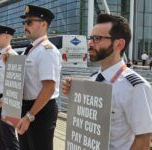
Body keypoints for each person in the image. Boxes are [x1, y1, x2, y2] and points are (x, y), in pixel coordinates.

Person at [62, 14, 152, 150]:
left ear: (119, 44)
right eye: (91, 38)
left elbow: (144, 138)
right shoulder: (93, 78)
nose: (90, 43)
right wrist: (74, 94)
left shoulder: (136, 87)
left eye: (97, 38)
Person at [17, 5, 61, 150]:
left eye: (29, 22)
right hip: (27, 108)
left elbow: (49, 88)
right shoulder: (29, 49)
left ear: (43, 24)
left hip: (40, 110)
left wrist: (30, 116)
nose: (25, 26)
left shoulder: (47, 51)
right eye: (24, 22)